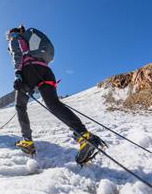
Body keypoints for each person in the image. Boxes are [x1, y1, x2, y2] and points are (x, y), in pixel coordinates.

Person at [6, 25, 105, 165]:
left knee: (20, 106)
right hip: (46, 70)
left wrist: (18, 74)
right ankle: (84, 136)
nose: (8, 39)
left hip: (29, 70)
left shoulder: (15, 39)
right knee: (54, 104)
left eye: (8, 36)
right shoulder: (32, 40)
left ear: (13, 34)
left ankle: (27, 141)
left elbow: (18, 54)